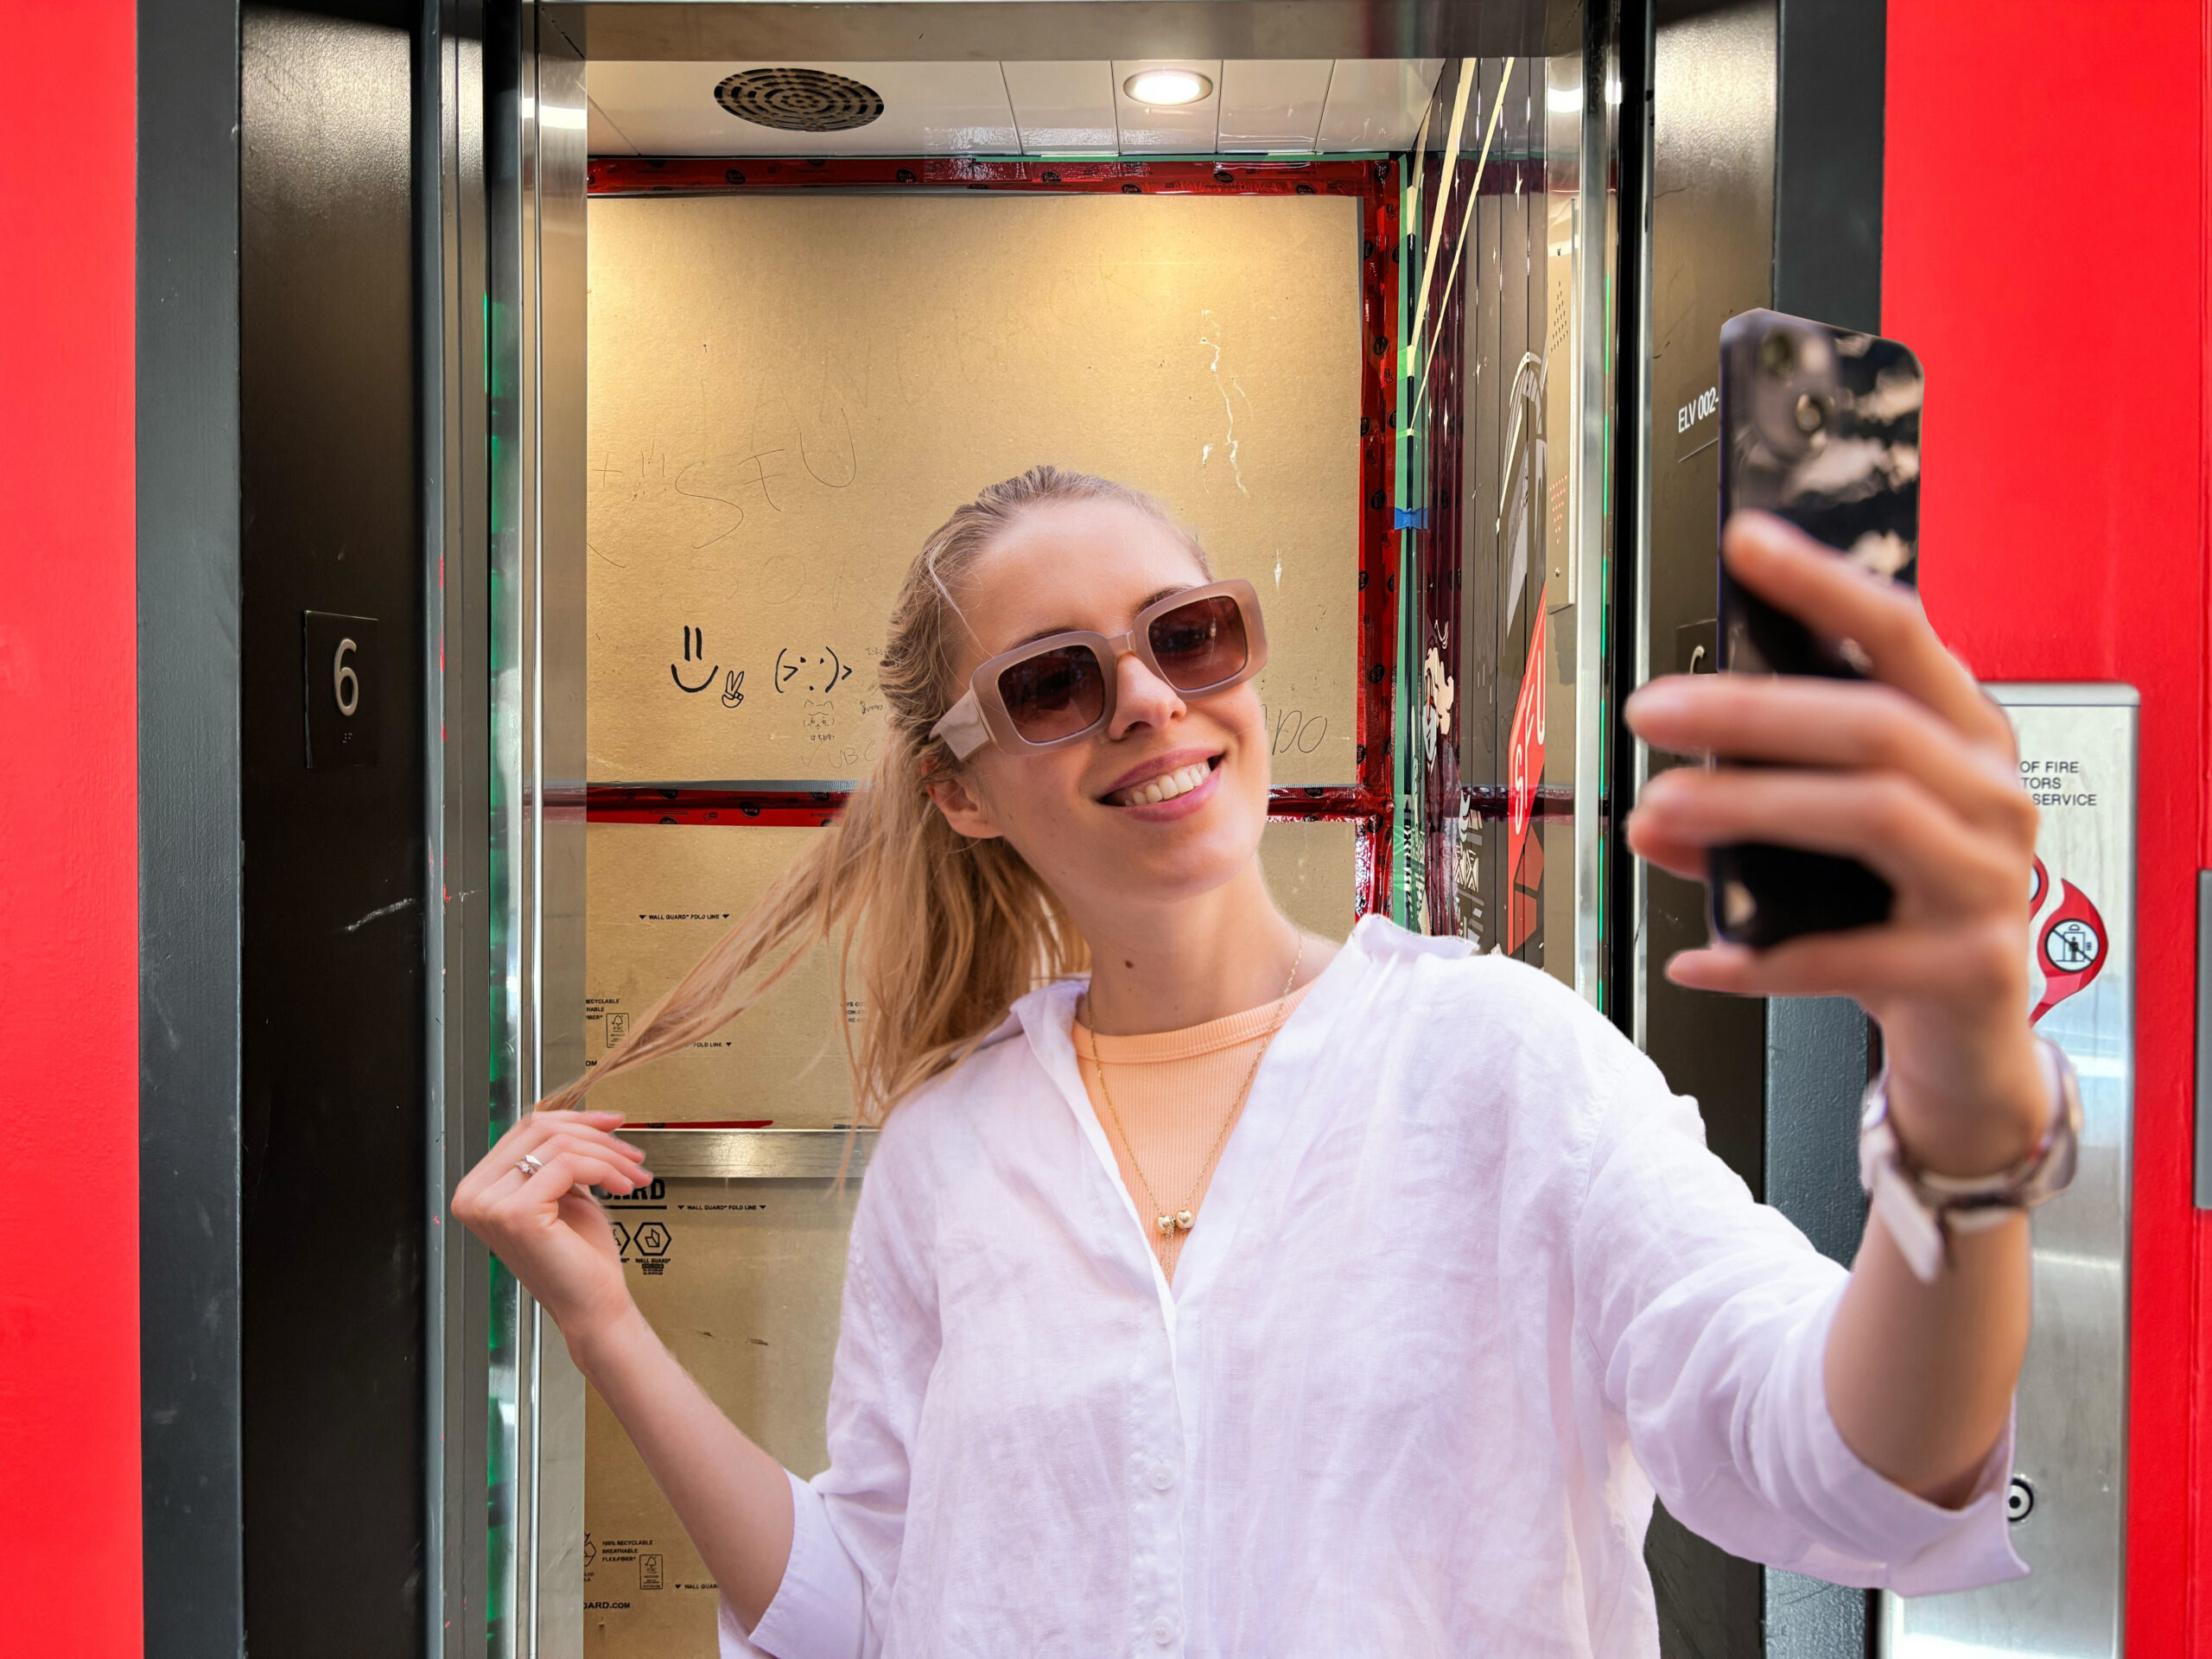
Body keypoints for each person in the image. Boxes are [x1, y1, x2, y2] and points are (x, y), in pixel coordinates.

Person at [454, 466, 2065, 1657]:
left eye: (1188, 635)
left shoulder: (1496, 1064)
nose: (1149, 702)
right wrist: (604, 1325)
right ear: (961, 791)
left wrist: (1961, 1131)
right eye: (1055, 683)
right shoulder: (951, 1154)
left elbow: (1843, 1457)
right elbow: (868, 1602)